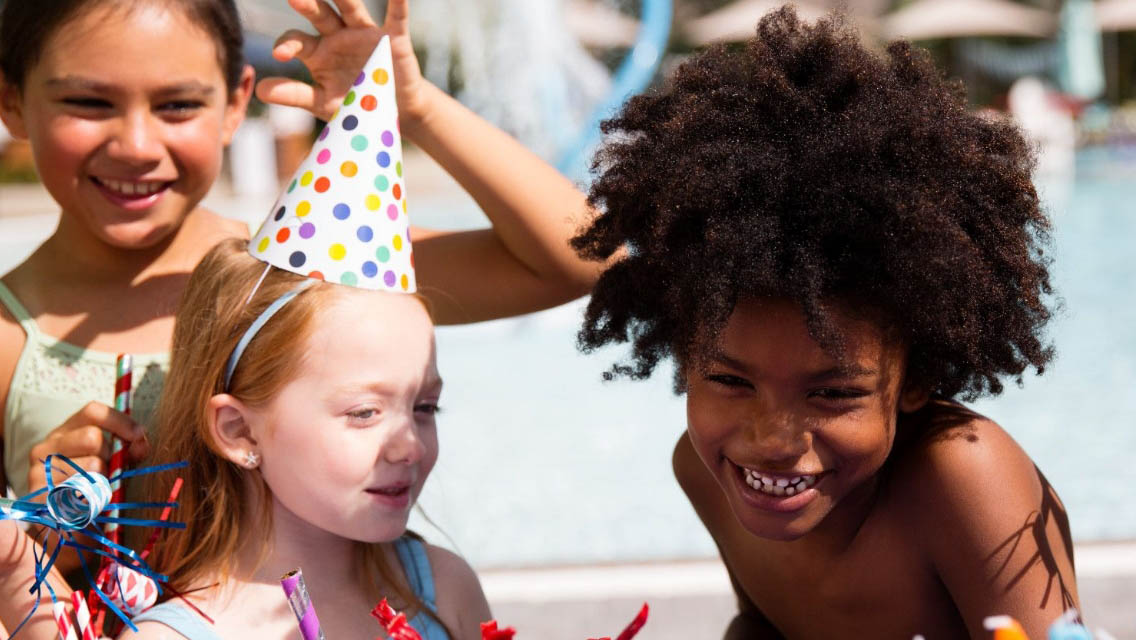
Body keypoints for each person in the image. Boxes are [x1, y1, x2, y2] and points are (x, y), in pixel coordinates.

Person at [569, 8, 1077, 638]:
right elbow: (762, 626)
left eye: (834, 393)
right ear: (681, 350)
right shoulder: (703, 470)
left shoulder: (962, 478)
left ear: (915, 375)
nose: (775, 438)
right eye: (731, 381)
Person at [0, 0, 595, 506]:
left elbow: (578, 259)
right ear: (12, 103)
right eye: (88, 103)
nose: (135, 145)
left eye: (178, 105)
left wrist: (415, 110)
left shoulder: (300, 271)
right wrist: (46, 531)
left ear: (236, 104)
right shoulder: (7, 336)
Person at [0, 238, 490, 639]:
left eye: (424, 408)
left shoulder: (445, 590)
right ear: (238, 431)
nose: (412, 445)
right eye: (364, 412)